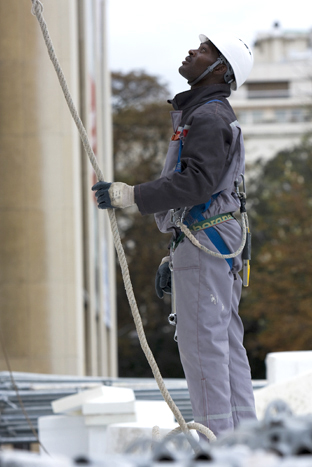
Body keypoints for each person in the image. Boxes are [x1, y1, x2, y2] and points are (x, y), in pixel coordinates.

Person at [92, 33, 257, 438]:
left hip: (208, 241)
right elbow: (210, 188)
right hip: (212, 240)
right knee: (225, 345)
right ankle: (246, 444)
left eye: (203, 50)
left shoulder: (207, 117)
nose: (191, 52)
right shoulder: (206, 115)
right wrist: (178, 251)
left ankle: (217, 448)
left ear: (221, 68)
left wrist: (132, 195)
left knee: (204, 349)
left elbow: (198, 182)